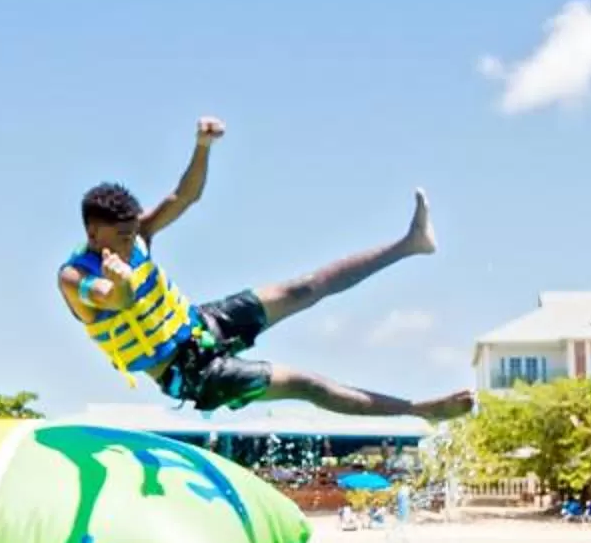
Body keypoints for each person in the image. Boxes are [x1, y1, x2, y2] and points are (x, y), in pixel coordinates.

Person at [61, 118, 474, 420]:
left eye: (134, 231)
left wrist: (202, 147)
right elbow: (112, 298)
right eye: (121, 236)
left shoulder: (138, 236)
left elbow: (185, 196)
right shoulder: (74, 278)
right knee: (305, 384)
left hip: (201, 325)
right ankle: (420, 410)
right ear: (94, 232)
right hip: (188, 374)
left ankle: (410, 244)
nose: (131, 240)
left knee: (305, 288)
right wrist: (121, 282)